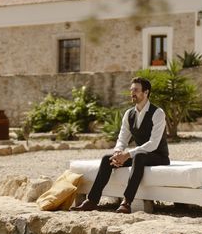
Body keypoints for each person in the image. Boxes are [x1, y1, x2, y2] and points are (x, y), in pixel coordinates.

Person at [71, 76, 170, 214]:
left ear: (146, 92)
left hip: (158, 156)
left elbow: (153, 144)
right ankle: (92, 201)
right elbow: (122, 139)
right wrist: (118, 152)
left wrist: (128, 154)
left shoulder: (157, 113)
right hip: (140, 155)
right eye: (131, 90)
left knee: (139, 157)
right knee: (108, 159)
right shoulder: (129, 114)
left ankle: (127, 202)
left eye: (136, 90)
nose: (132, 93)